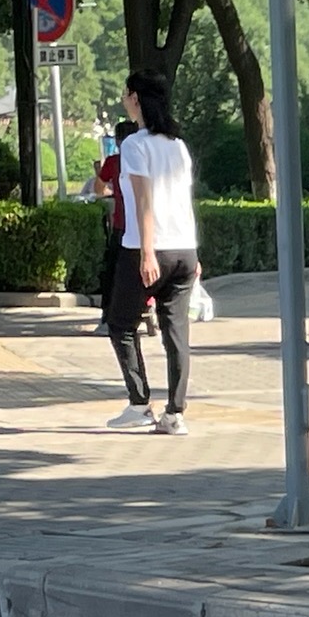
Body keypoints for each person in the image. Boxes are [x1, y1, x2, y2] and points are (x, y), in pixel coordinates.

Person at [106, 73, 197, 434]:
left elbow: (144, 201)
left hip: (147, 247)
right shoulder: (178, 145)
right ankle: (175, 414)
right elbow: (183, 200)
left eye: (127, 93)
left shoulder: (134, 145)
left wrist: (146, 252)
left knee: (121, 325)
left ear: (136, 99)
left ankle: (140, 403)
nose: (125, 98)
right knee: (176, 331)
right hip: (183, 248)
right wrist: (194, 251)